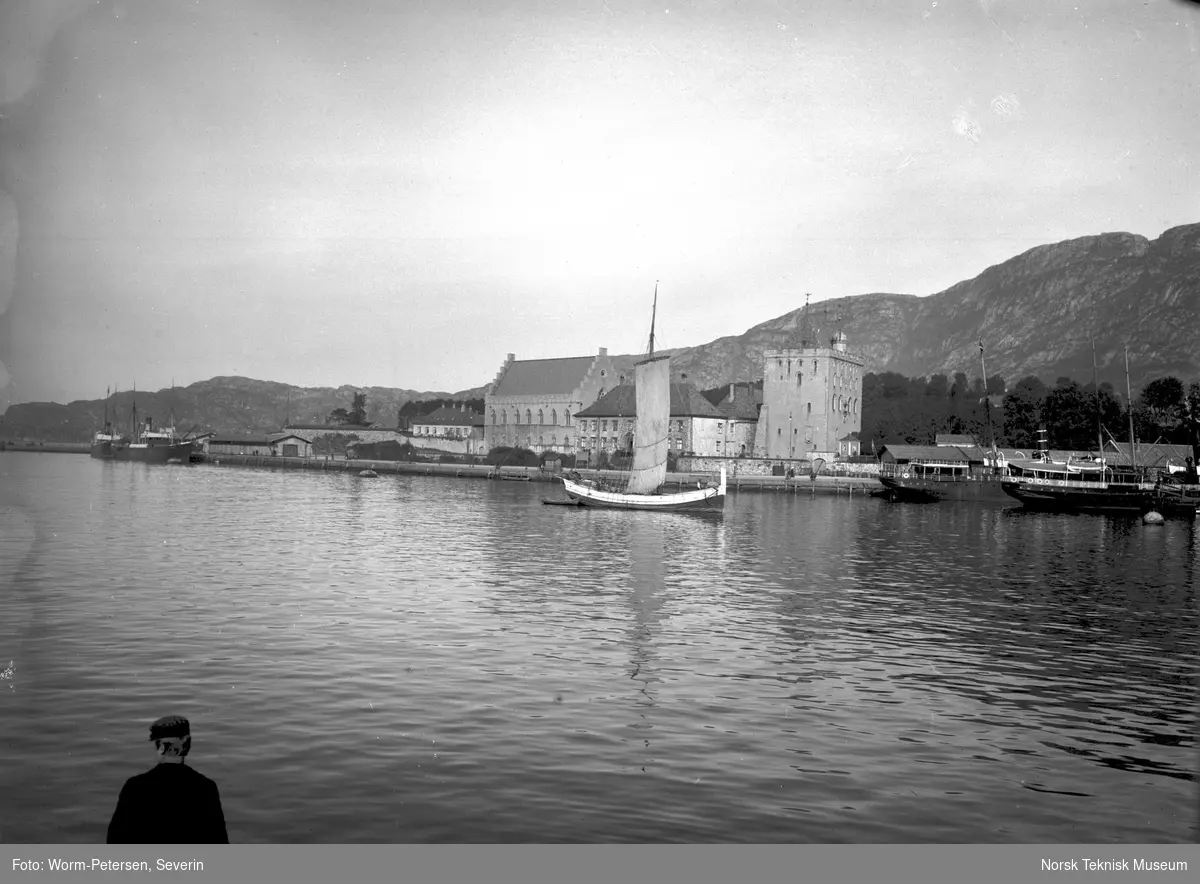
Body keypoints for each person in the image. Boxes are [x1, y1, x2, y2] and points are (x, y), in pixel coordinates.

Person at [107, 714, 228, 843]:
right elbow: (219, 841)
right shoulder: (206, 787)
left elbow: (115, 840)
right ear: (188, 745)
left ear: (160, 747)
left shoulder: (135, 786)